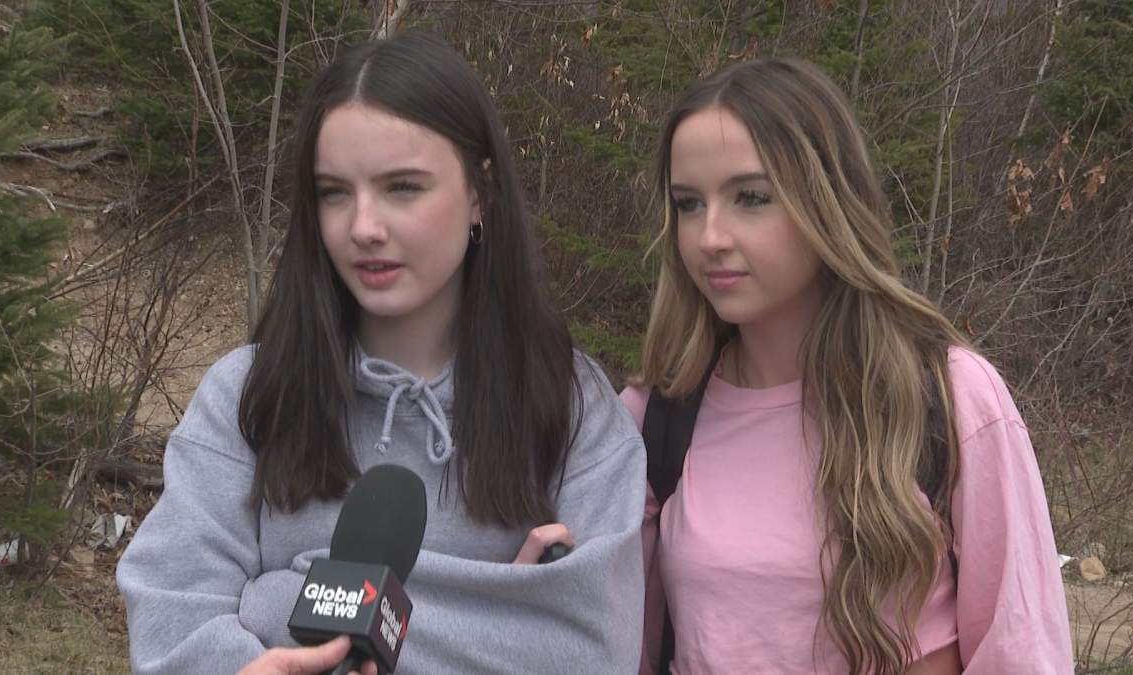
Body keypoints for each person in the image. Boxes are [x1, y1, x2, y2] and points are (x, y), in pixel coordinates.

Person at [116, 30, 645, 675]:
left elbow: (593, 650)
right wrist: (498, 612)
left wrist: (279, 596)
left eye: (402, 187)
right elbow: (169, 617)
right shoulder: (247, 395)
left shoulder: (572, 403)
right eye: (334, 192)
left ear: (480, 195)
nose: (363, 226)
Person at [620, 57, 1072, 674]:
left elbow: (1021, 653)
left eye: (751, 198)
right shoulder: (655, 419)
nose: (710, 236)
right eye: (689, 204)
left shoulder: (948, 397)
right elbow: (623, 650)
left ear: (826, 200)